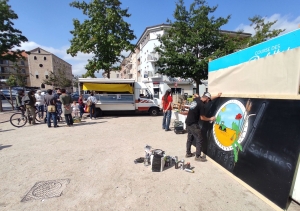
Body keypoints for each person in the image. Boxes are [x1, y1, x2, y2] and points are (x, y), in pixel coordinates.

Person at [185, 92, 222, 161]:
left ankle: (188, 153)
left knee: (190, 138)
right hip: (193, 124)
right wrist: (210, 119)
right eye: (208, 100)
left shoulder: (197, 99)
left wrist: (217, 96)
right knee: (199, 139)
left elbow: (209, 98)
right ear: (206, 98)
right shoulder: (201, 105)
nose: (208, 101)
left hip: (188, 122)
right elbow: (202, 118)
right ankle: (198, 156)